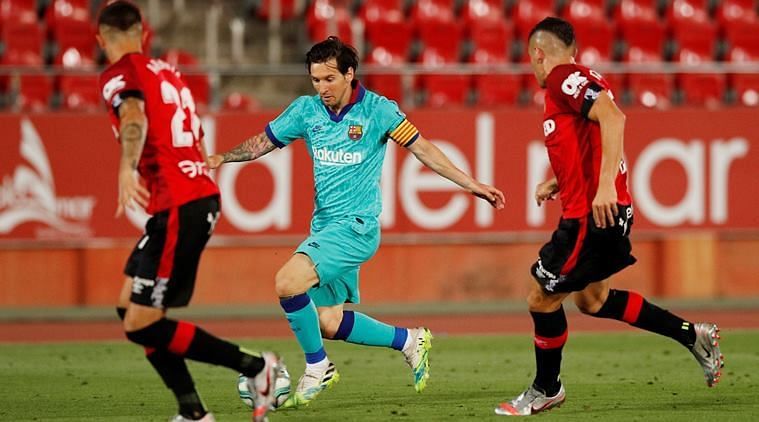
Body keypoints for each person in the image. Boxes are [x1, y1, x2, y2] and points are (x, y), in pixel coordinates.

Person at [208, 36, 505, 407]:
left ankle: (318, 367)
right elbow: (262, 143)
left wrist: (471, 184)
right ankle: (410, 340)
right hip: (325, 228)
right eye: (315, 80)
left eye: (329, 79)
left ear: (350, 74)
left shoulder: (378, 111)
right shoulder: (306, 111)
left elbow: (423, 149)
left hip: (357, 227)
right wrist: (223, 157)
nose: (322, 88)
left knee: (287, 282)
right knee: (328, 322)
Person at [494, 17, 724, 416]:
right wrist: (559, 181)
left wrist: (601, 189)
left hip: (590, 216)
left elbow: (614, 119)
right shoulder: (581, 76)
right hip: (598, 210)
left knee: (541, 298)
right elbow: (591, 136)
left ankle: (546, 388)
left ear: (537, 54)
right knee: (593, 299)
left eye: (532, 61)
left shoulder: (561, 77)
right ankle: (693, 335)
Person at [96, 3, 285, 421]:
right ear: (144, 32)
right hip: (186, 199)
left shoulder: (120, 74)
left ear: (99, 37)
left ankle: (256, 368)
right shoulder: (170, 73)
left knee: (142, 323)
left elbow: (133, 116)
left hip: (181, 203)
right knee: (130, 308)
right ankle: (192, 412)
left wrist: (127, 166)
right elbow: (196, 139)